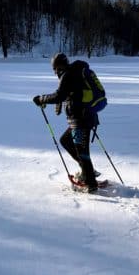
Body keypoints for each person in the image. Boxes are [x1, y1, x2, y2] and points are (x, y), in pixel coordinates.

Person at [33, 53, 99, 192]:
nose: (55, 72)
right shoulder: (74, 73)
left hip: (80, 119)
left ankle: (91, 183)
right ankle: (88, 172)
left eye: (55, 69)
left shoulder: (68, 75)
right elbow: (66, 94)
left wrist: (41, 99)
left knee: (82, 151)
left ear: (58, 66)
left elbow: (59, 95)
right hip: (84, 118)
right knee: (66, 140)